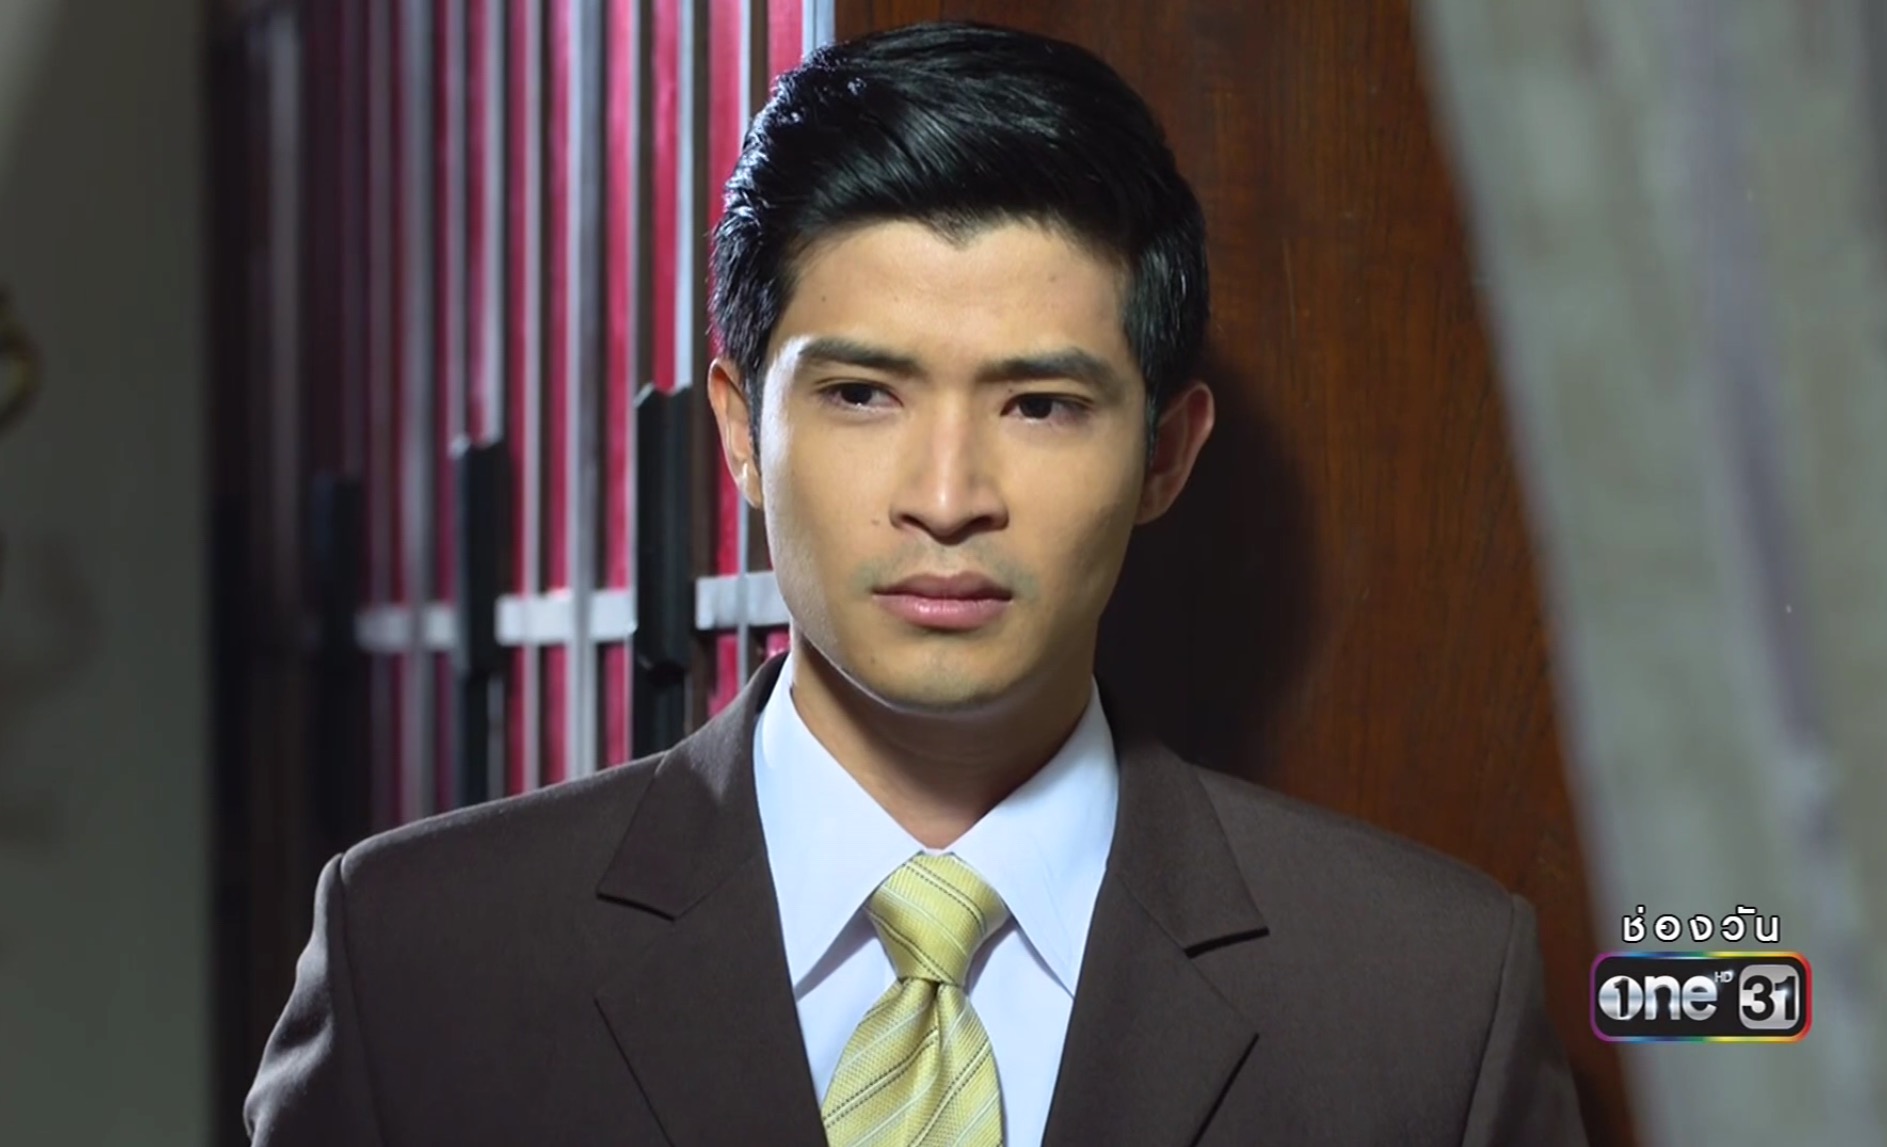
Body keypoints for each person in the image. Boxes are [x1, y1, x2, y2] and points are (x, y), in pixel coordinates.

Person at [245, 20, 1586, 1146]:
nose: (947, 498)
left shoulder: (1424, 999)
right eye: (861, 394)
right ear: (738, 433)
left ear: (1167, 454)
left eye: (1042, 406)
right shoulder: (422, 961)